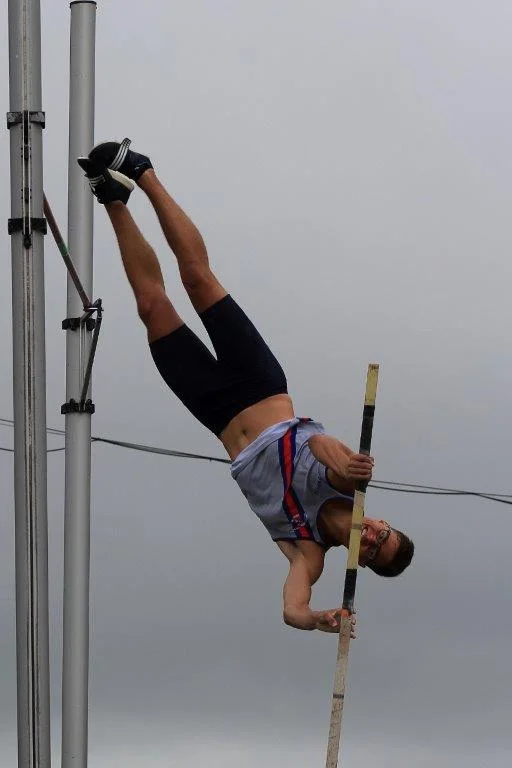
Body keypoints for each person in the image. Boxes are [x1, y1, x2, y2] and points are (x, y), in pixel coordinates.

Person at [78, 139, 414, 635]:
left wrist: (318, 619)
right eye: (383, 534)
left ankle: (112, 198)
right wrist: (347, 466)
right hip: (261, 386)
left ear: (360, 562)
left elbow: (292, 609)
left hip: (217, 413)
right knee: (197, 279)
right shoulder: (351, 482)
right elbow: (320, 446)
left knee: (152, 307)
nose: (372, 538)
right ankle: (144, 173)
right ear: (383, 521)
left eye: (373, 550)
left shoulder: (308, 552)